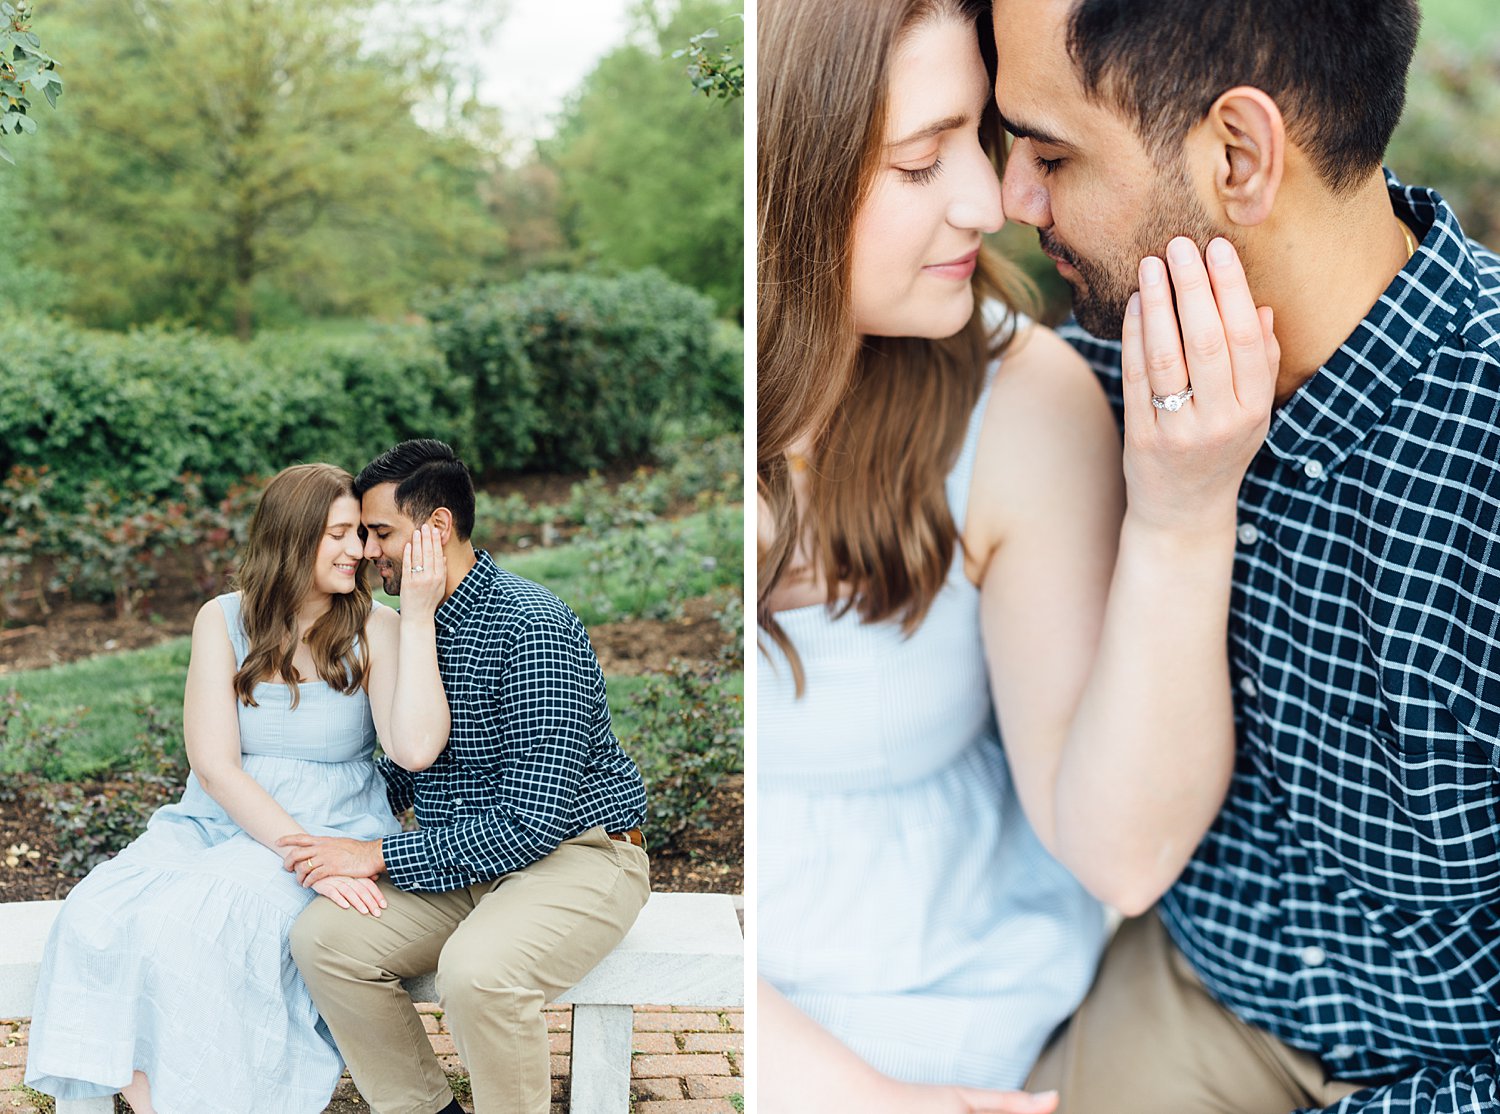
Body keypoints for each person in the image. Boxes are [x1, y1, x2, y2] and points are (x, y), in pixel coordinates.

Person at [757, 0, 1277, 1111]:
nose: (988, 200)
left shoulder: (1016, 396)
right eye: (915, 162)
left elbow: (1122, 853)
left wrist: (1180, 517)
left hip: (972, 1038)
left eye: (977, 139)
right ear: (776, 183)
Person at [987, 1, 1500, 1111]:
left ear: (1239, 156)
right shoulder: (1096, 381)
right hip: (1200, 989)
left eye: (1050, 152)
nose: (1011, 200)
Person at [23, 462, 449, 1114]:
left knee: (186, 927)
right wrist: (298, 852)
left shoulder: (375, 627)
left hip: (334, 827)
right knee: (93, 917)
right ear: (292, 536)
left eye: (361, 534)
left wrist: (416, 620)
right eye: (338, 534)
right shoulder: (221, 620)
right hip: (217, 821)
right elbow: (216, 766)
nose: (361, 550)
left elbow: (413, 750)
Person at [279, 438, 650, 1114]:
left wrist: (378, 855)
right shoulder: (401, 629)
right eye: (362, 534)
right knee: (324, 941)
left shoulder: (530, 626)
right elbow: (401, 767)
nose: (366, 551)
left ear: (438, 526)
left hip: (579, 855)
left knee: (479, 974)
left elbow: (532, 823)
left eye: (380, 532)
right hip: (464, 864)